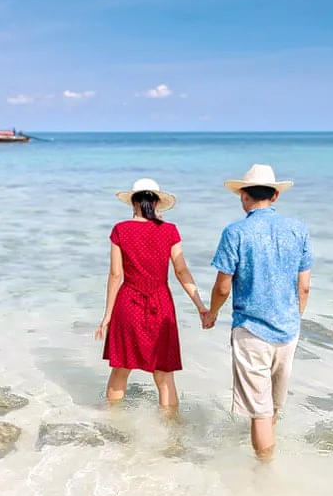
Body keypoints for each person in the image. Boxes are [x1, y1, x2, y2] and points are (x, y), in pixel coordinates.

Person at [202, 164, 313, 460]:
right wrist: (294, 317)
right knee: (273, 407)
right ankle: (267, 459)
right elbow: (304, 288)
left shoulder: (235, 232)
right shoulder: (299, 230)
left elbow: (223, 287)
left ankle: (263, 478)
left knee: (259, 413)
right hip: (289, 330)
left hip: (251, 330)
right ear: (275, 196)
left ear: (243, 196)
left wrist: (211, 313)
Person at [95, 178, 208, 409]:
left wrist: (107, 316)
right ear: (156, 203)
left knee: (121, 369)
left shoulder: (121, 230)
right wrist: (201, 306)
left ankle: (113, 426)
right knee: (165, 375)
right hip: (161, 304)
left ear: (133, 202)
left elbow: (116, 275)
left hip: (128, 303)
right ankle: (171, 436)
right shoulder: (170, 230)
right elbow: (181, 270)